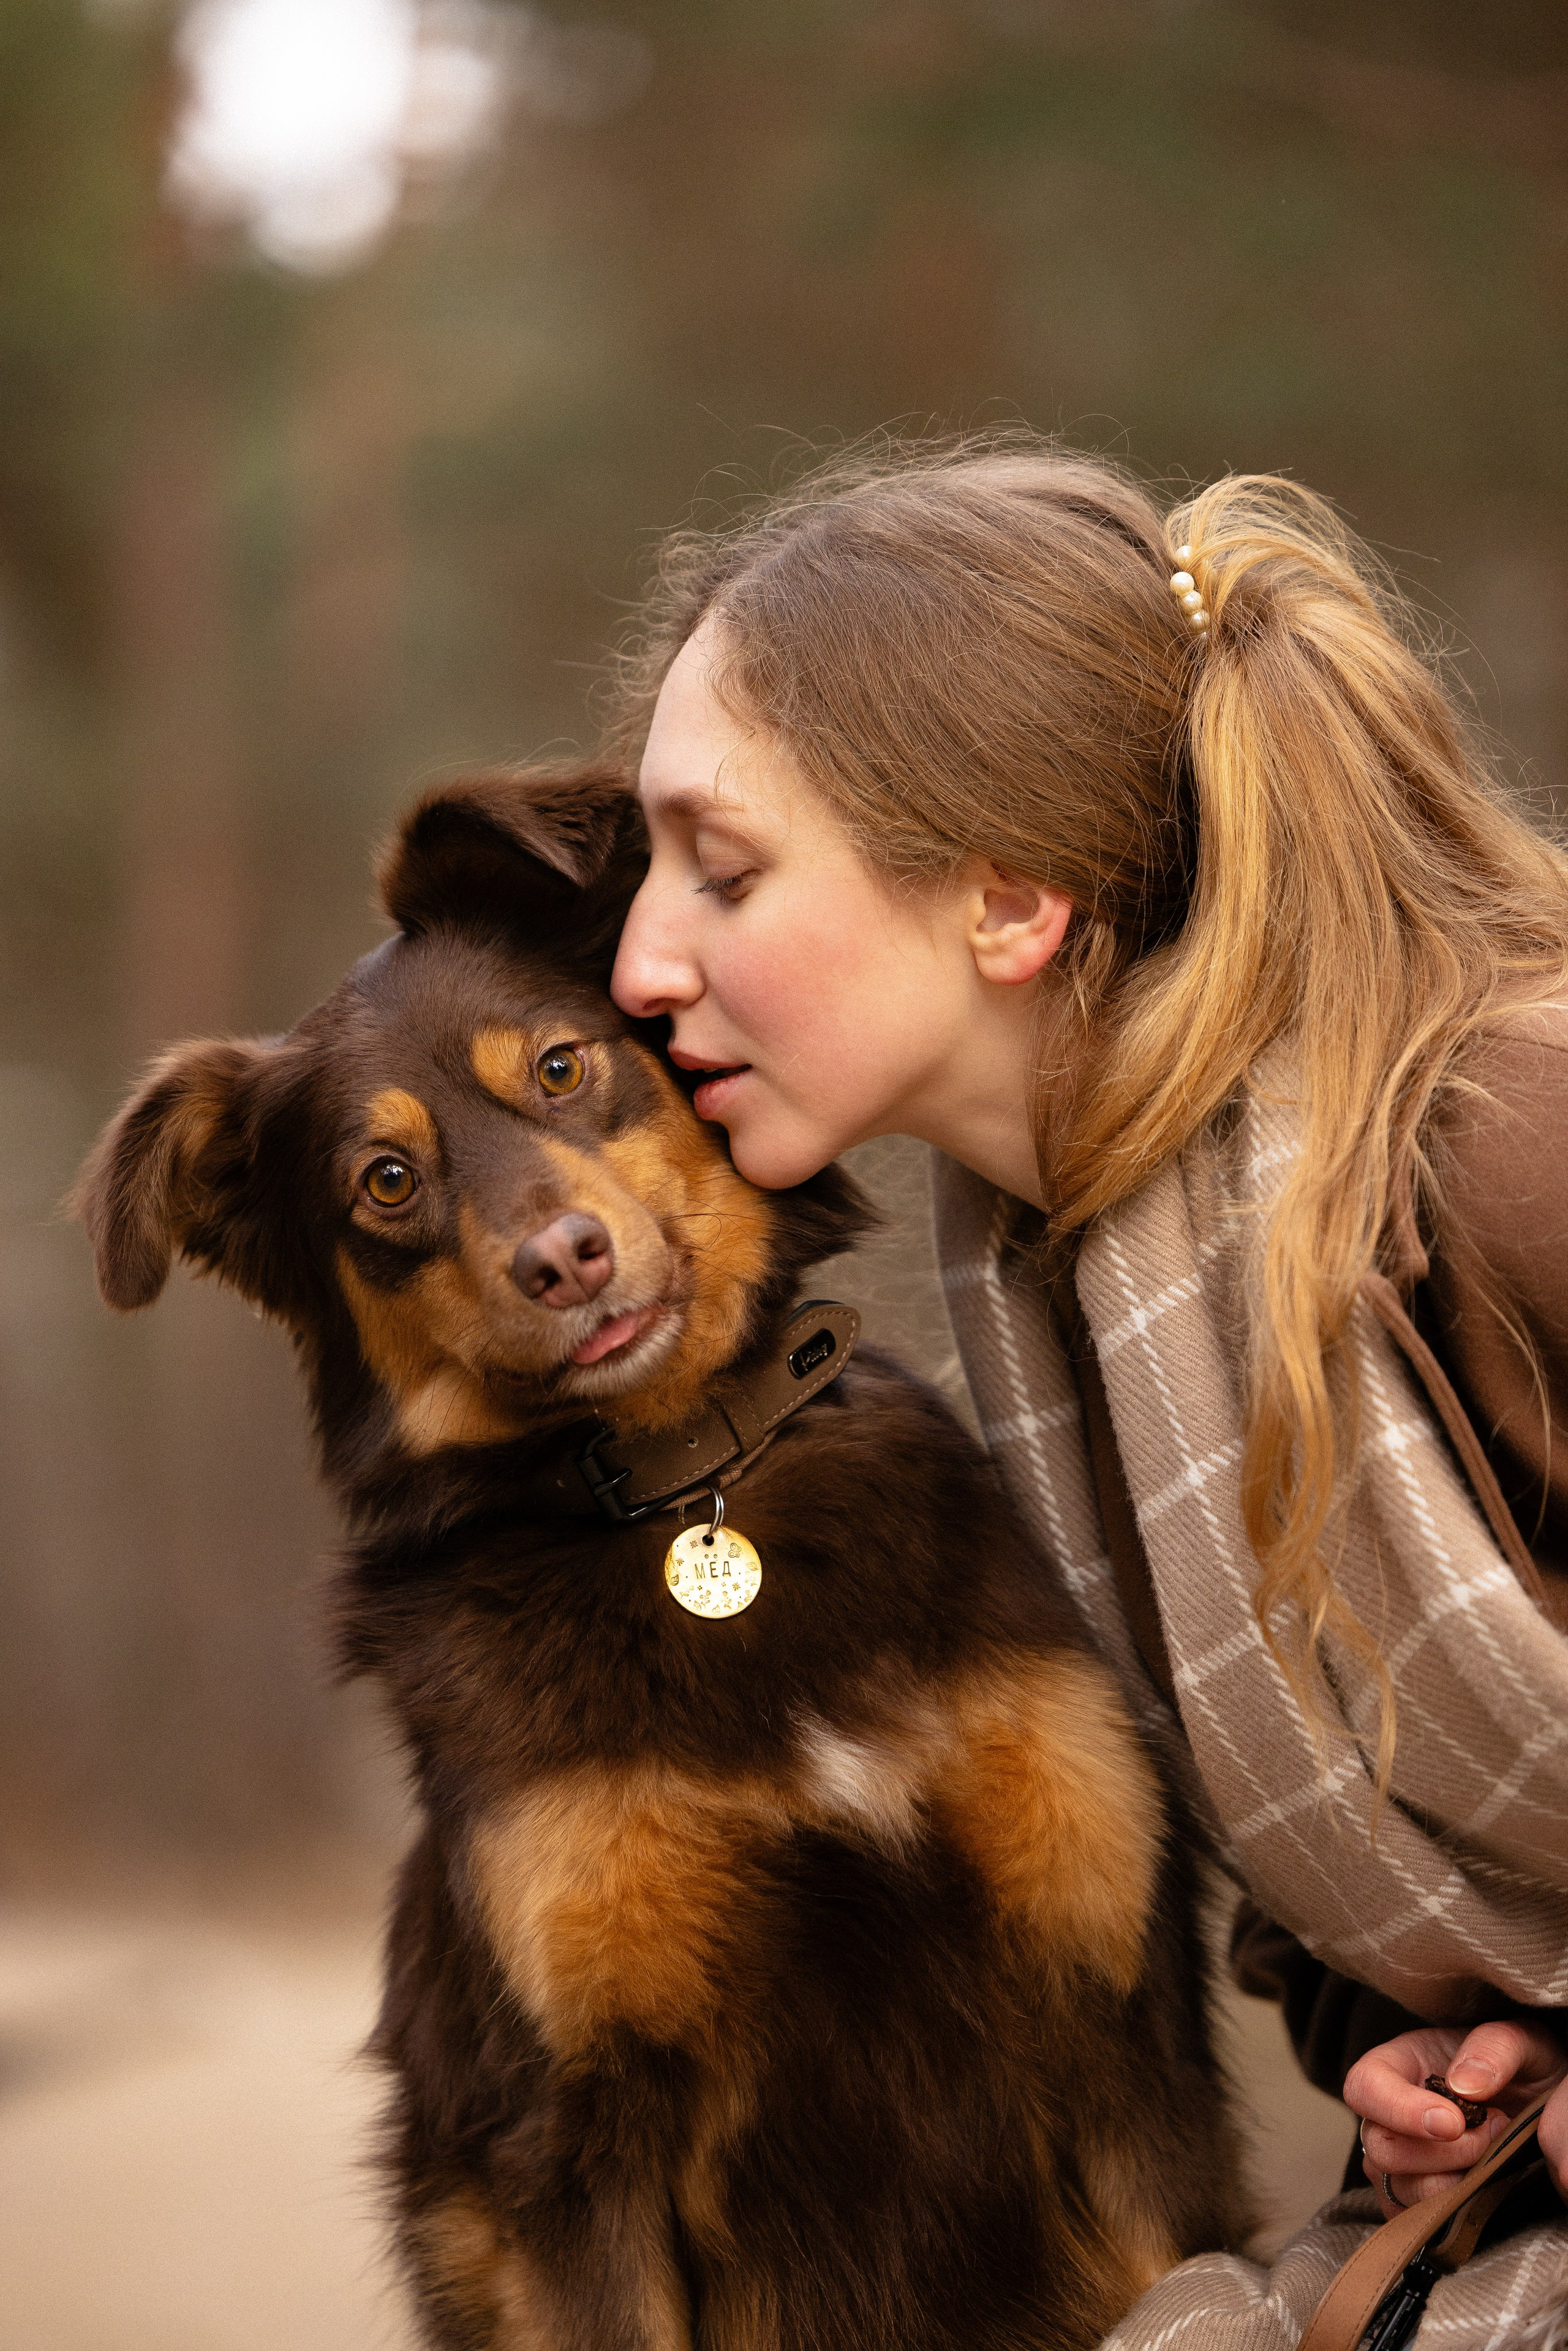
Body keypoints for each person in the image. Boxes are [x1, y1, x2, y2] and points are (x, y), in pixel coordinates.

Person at [605, 436, 1568, 2327]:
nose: (640, 958)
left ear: (1008, 902)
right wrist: (1423, 2040)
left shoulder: (1504, 1132)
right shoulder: (1070, 1304)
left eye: (720, 869)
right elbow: (1392, 1881)